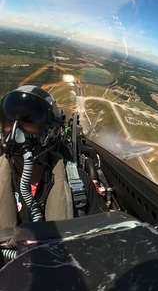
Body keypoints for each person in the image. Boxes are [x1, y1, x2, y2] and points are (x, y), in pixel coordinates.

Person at [0, 85, 107, 258]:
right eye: (10, 120)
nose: (15, 130)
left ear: (50, 131)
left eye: (28, 119)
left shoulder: (78, 184)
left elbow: (103, 240)